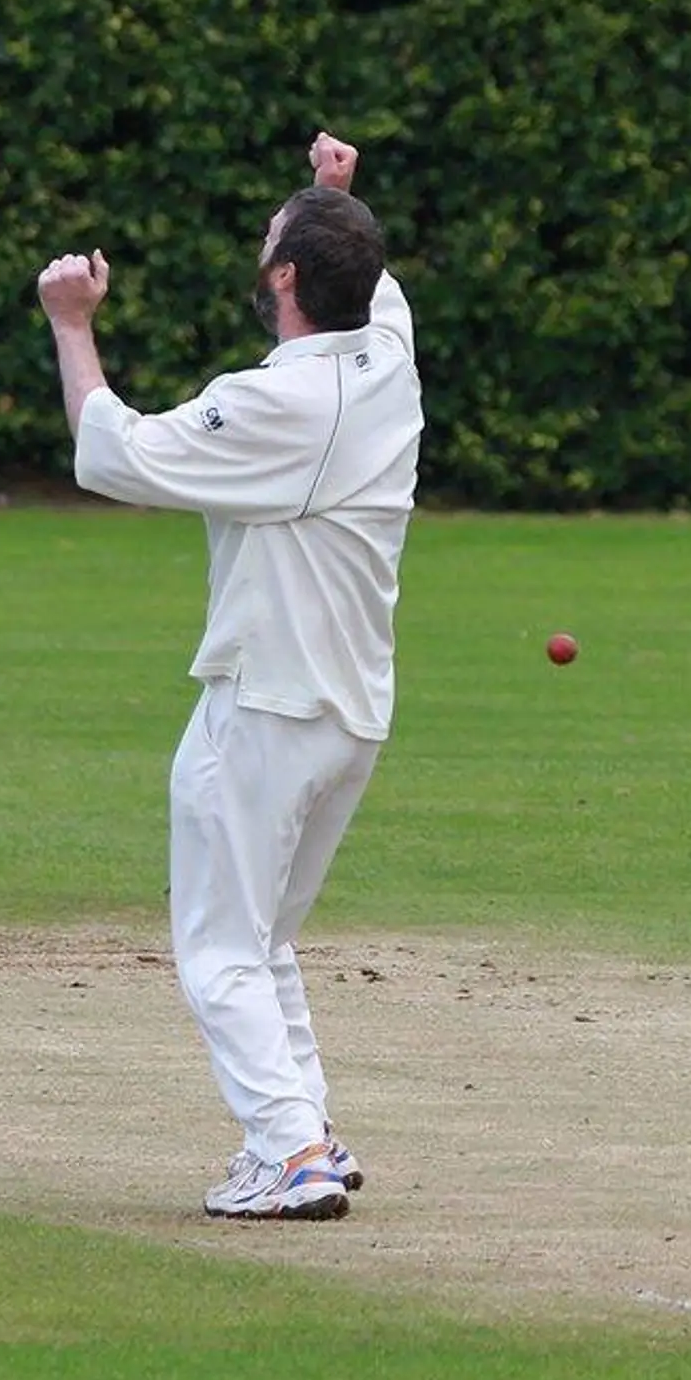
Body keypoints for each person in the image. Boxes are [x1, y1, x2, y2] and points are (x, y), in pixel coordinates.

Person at [35, 132, 422, 1221]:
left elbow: (109, 453)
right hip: (350, 712)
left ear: (285, 279)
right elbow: (368, 284)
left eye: (272, 242)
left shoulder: (271, 404)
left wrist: (72, 326)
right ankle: (308, 1133)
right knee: (261, 941)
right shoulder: (387, 354)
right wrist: (328, 199)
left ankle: (289, 1153)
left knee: (217, 949)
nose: (261, 252)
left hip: (265, 706)